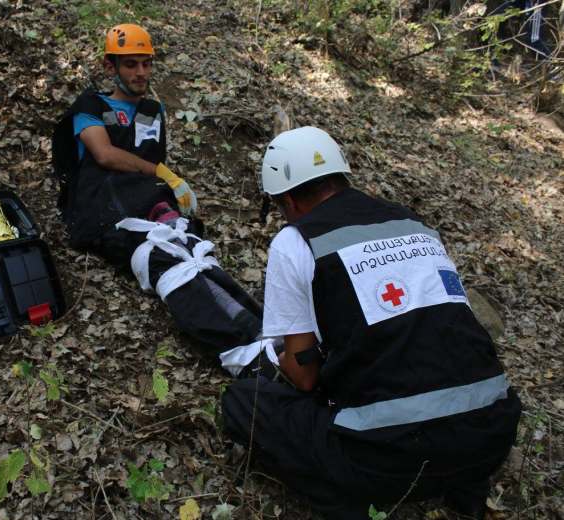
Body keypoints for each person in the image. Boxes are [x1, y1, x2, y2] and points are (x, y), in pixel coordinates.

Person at [221, 127, 522, 519]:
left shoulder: (294, 241)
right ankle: (463, 491)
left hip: (390, 457)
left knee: (244, 401)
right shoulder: (413, 224)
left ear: (289, 201)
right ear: (342, 177)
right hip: (491, 437)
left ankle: (348, 503)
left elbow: (307, 376)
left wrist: (280, 355)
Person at [52, 23, 197, 265]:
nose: (141, 72)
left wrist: (170, 182)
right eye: (131, 64)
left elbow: (152, 163)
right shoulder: (91, 106)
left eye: (146, 63)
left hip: (145, 200)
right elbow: (105, 155)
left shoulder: (153, 111)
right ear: (111, 67)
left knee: (185, 240)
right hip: (98, 206)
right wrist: (164, 173)